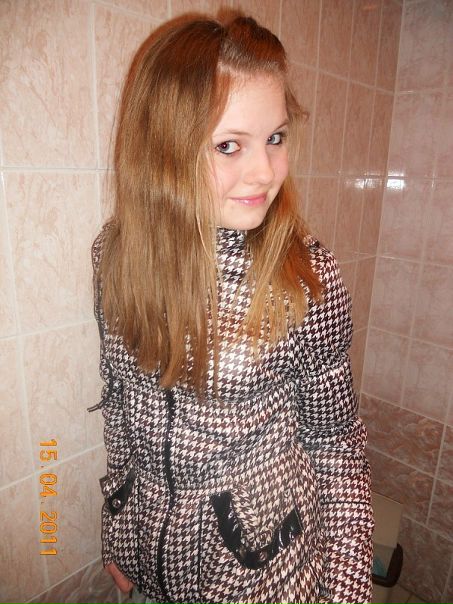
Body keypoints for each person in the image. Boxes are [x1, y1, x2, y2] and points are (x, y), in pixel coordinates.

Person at [89, 10, 374, 604]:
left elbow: (337, 447)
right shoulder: (115, 258)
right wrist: (118, 531)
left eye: (275, 138)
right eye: (228, 145)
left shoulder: (305, 277)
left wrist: (347, 592)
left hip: (263, 578)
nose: (265, 171)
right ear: (164, 149)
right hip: (151, 569)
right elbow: (120, 406)